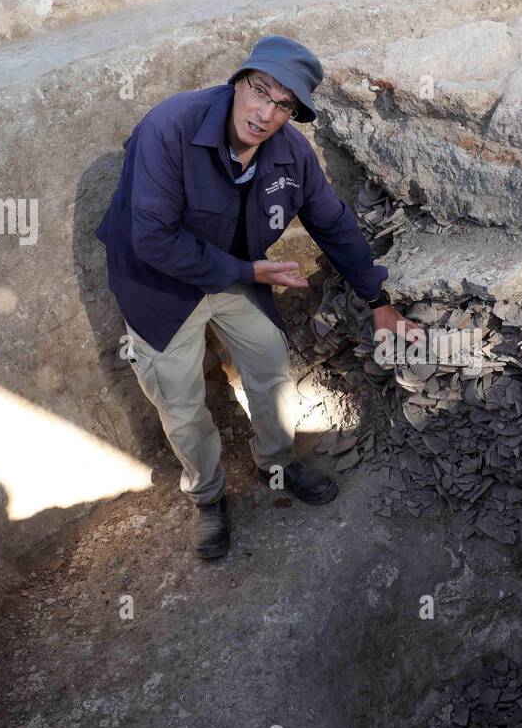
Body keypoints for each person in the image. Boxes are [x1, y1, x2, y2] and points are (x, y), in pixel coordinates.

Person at [95, 34, 423, 559]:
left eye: (283, 105)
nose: (265, 112)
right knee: (181, 403)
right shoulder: (169, 128)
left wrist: (378, 301)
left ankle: (278, 462)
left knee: (270, 369)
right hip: (156, 283)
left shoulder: (291, 153)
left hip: (233, 274)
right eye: (259, 91)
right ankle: (207, 496)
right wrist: (249, 270)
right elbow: (152, 238)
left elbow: (333, 224)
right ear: (237, 83)